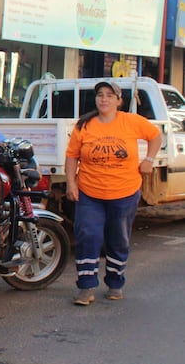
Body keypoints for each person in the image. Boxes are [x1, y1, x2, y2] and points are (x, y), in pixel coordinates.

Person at [65, 80, 162, 306]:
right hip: (90, 193)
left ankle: (115, 282)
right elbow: (72, 156)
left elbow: (155, 136)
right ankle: (86, 287)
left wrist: (149, 159)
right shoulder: (85, 126)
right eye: (100, 94)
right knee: (88, 235)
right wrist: (71, 183)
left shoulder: (132, 122)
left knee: (118, 239)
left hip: (124, 192)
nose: (104, 99)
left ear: (119, 101)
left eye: (110, 95)